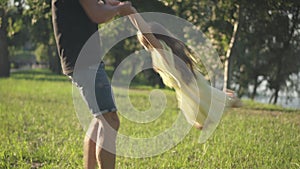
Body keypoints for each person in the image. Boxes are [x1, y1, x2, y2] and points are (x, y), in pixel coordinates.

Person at [127, 7, 241, 132]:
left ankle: (231, 100)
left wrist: (131, 12)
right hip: (185, 85)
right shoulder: (161, 51)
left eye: (144, 42)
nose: (144, 45)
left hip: (189, 84)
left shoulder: (161, 49)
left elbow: (145, 31)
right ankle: (227, 101)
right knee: (201, 109)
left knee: (206, 104)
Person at [52, 0, 133, 168]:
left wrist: (113, 5)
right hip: (84, 60)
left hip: (84, 60)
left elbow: (96, 7)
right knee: (110, 120)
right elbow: (97, 14)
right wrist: (119, 9)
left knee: (100, 119)